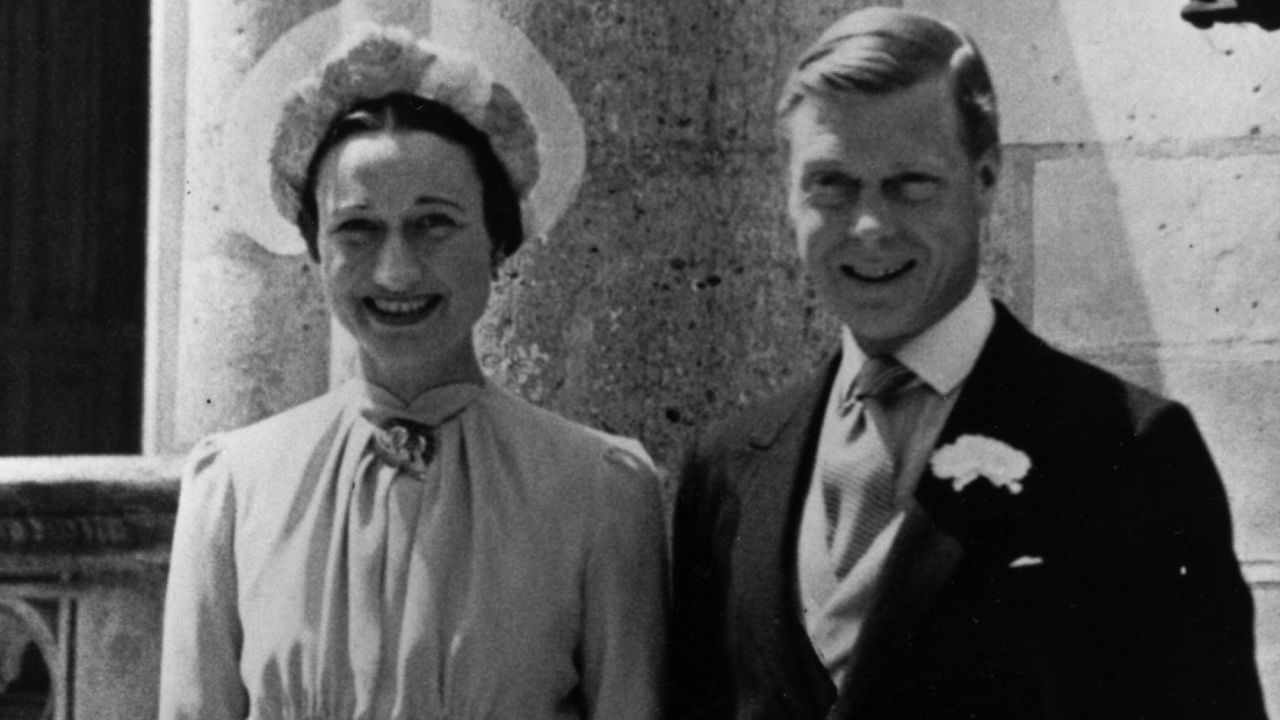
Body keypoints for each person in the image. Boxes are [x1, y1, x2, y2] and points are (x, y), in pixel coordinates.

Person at [669, 8, 1267, 720]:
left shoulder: (1129, 453)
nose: (869, 226)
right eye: (831, 183)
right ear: (787, 190)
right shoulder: (728, 467)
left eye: (910, 184)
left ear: (985, 179)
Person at [159, 25, 666, 720]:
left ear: (497, 240)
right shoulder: (232, 490)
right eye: (357, 230)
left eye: (434, 224)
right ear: (315, 248)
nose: (396, 270)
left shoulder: (600, 491)